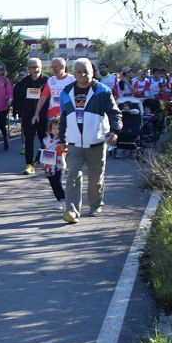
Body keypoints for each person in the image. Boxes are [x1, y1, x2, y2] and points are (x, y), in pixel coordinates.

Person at [59, 58, 122, 224]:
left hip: (96, 142)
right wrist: (61, 139)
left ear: (92, 71)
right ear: (74, 74)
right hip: (74, 143)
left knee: (95, 177)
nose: (83, 74)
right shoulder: (66, 92)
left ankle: (95, 205)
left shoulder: (102, 90)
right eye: (79, 72)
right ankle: (72, 210)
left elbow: (115, 113)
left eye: (86, 71)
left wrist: (114, 132)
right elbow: (63, 118)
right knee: (73, 176)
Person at [14, 58, 48, 174]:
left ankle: (47, 163)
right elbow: (17, 100)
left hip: (44, 116)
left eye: (38, 66)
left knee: (46, 140)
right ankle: (29, 164)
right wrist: (18, 114)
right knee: (29, 140)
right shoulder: (22, 84)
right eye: (33, 67)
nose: (36, 69)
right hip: (28, 116)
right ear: (29, 69)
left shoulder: (47, 81)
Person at [32, 57, 75, 142]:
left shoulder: (72, 79)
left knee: (66, 139)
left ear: (63, 66)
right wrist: (36, 114)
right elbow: (43, 98)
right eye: (52, 67)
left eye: (56, 67)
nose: (53, 69)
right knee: (52, 140)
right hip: (52, 115)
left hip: (67, 114)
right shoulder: (51, 80)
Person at [40, 119, 66, 210]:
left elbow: (68, 150)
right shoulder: (46, 139)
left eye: (58, 128)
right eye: (53, 128)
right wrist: (35, 161)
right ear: (50, 129)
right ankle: (59, 200)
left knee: (58, 183)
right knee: (53, 184)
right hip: (48, 165)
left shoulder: (63, 139)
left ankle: (65, 200)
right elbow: (41, 151)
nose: (56, 130)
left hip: (59, 165)